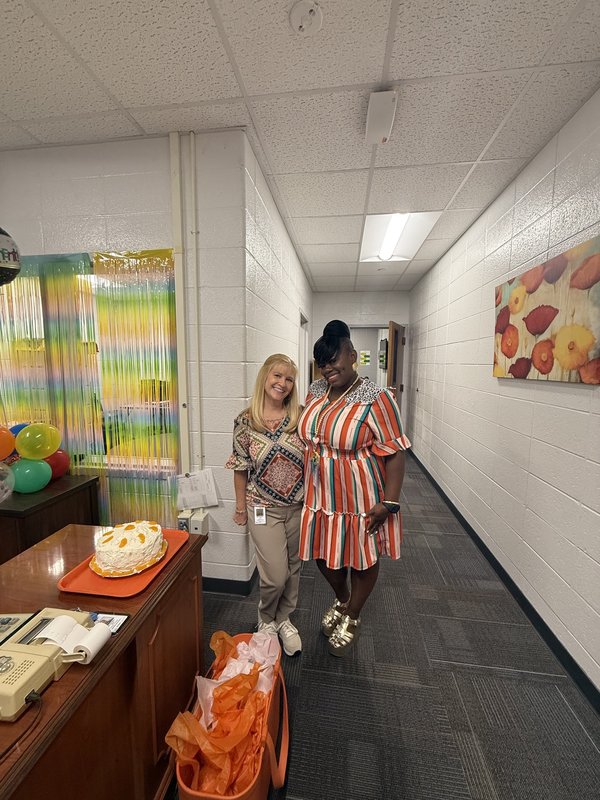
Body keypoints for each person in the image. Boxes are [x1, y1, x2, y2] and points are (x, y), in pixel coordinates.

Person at [298, 320, 410, 656]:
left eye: (334, 359)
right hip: (320, 492)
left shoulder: (377, 397)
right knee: (323, 554)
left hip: (360, 493)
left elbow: (395, 451)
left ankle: (354, 615)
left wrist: (390, 502)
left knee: (361, 557)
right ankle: (343, 599)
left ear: (352, 355)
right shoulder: (316, 391)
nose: (328, 368)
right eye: (322, 362)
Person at [225, 354, 304, 656]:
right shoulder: (245, 421)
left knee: (294, 567)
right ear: (265, 377)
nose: (282, 383)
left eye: (289, 379)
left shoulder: (300, 417)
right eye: (277, 376)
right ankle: (266, 619)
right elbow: (240, 467)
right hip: (262, 507)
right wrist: (240, 507)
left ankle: (284, 619)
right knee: (275, 574)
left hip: (297, 506)